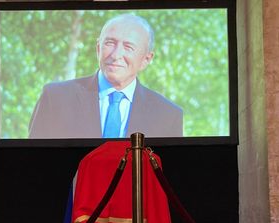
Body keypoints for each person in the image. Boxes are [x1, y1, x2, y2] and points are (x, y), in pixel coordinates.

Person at [29, 14, 183, 139]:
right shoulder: (55, 98)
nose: (116, 55)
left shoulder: (168, 115)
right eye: (110, 43)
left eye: (128, 47)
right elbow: (34, 160)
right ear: (98, 48)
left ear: (146, 59)